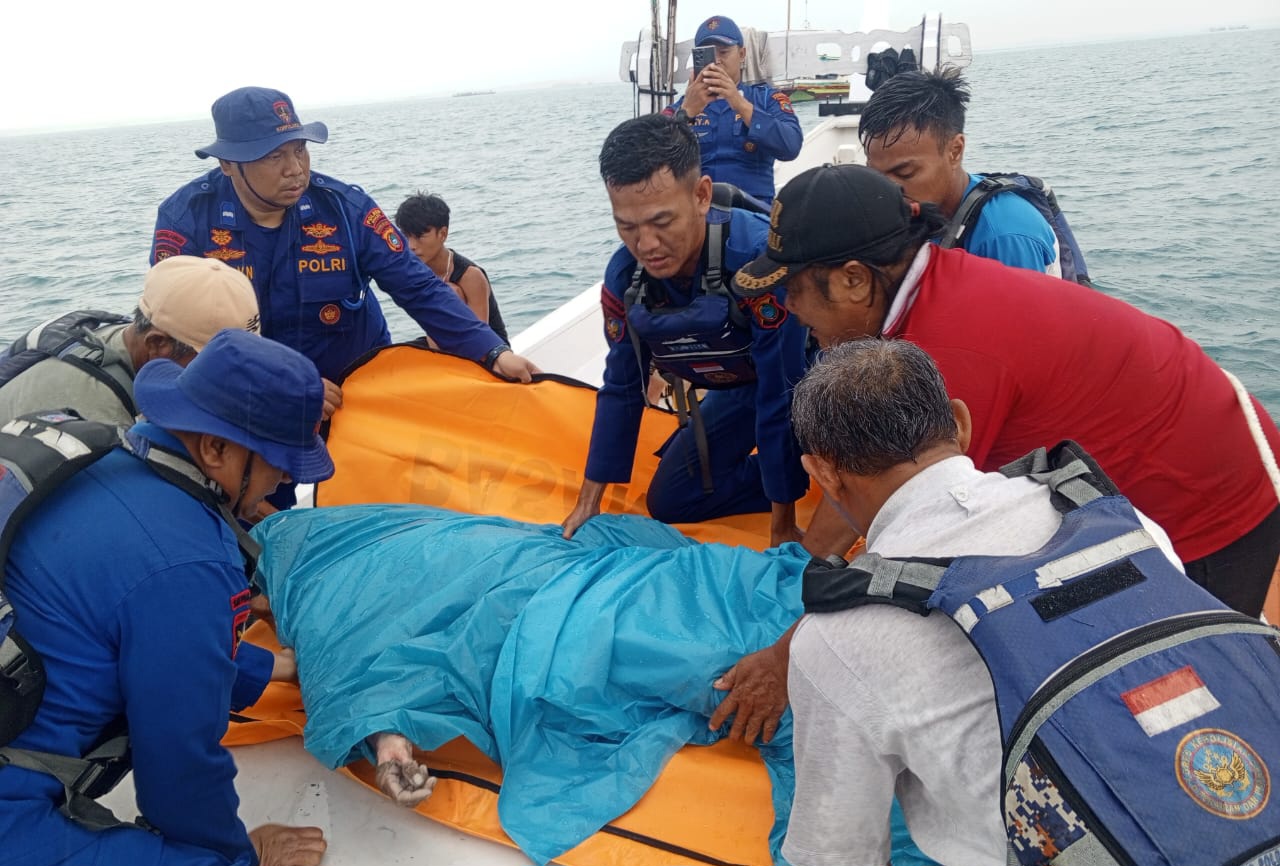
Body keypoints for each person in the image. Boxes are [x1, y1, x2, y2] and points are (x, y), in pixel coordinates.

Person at [738, 162, 1280, 617]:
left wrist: (790, 631)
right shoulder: (933, 285)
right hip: (1183, 435)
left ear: (854, 278)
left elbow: (904, 509)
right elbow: (867, 477)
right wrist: (804, 577)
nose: (789, 307)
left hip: (1207, 501)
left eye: (794, 287)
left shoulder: (946, 352)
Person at [781, 338, 1188, 865]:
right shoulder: (1121, 523)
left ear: (823, 473)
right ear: (960, 423)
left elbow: (837, 853)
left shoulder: (839, 636)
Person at [0, 329, 332, 866]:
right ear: (217, 449)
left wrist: (279, 669)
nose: (278, 487)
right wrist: (236, 859)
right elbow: (180, 771)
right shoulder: (188, 562)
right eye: (277, 468)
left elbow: (152, 634)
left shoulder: (96, 450)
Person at [150, 86, 536, 391]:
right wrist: (284, 386)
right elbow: (178, 336)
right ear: (228, 164)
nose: (295, 168)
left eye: (300, 149)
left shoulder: (344, 209)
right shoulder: (186, 220)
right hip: (256, 396)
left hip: (358, 385)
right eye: (274, 156)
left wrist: (492, 351)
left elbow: (418, 288)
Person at [561, 114, 810, 544]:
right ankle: (797, 469)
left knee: (807, 420)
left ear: (701, 195)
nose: (647, 246)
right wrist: (589, 501)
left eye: (662, 222)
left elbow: (780, 392)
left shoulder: (757, 259)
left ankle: (803, 469)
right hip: (737, 387)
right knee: (672, 499)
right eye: (627, 226)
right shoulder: (626, 278)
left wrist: (782, 525)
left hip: (805, 380)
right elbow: (622, 386)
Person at [0, 256, 260, 428]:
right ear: (158, 344)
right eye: (215, 363)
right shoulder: (97, 414)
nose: (224, 375)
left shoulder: (123, 334)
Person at [858, 67, 1063, 276]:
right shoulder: (917, 208)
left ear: (955, 151)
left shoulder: (1004, 235)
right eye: (874, 174)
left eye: (905, 173)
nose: (886, 192)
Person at [663, 15, 802, 203]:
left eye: (724, 52)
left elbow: (791, 147)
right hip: (696, 215)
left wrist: (738, 102)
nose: (717, 61)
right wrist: (686, 113)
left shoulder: (767, 99)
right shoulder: (680, 107)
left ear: (742, 54)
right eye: (709, 54)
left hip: (754, 212)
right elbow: (651, 160)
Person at [393, 191, 509, 344]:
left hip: (489, 352)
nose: (411, 246)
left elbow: (480, 339)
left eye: (419, 236)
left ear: (442, 234)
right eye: (406, 237)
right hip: (444, 342)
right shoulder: (416, 270)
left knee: (449, 292)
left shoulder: (470, 276)